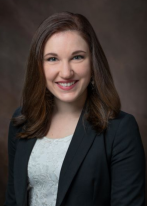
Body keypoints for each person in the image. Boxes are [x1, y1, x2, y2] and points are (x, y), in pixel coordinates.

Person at [4, 11, 145, 206]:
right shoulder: (21, 120)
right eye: (52, 59)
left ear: (93, 63)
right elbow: (13, 199)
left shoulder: (120, 130)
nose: (66, 72)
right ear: (39, 66)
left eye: (77, 57)